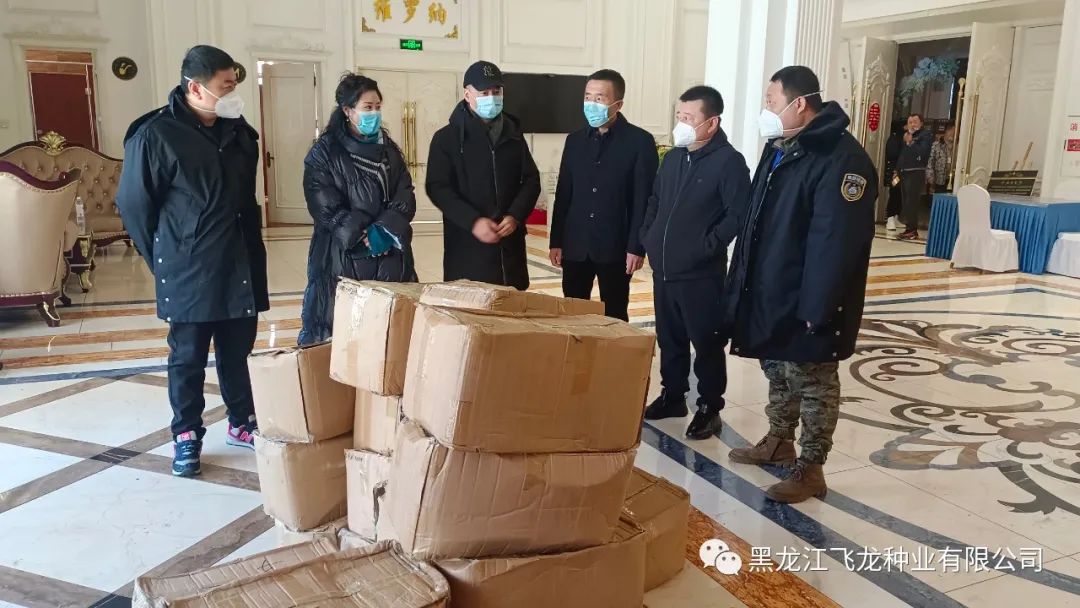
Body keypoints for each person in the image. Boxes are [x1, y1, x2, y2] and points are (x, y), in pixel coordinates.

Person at [725, 66, 876, 503]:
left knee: (813, 382)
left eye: (771, 101)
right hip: (772, 287)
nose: (766, 110)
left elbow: (836, 242)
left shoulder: (843, 160)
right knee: (777, 369)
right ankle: (779, 439)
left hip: (809, 297)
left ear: (800, 104)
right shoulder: (781, 148)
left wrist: (818, 306)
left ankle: (811, 468)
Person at [116, 45, 269, 478]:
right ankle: (186, 433)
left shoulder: (240, 133)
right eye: (226, 86)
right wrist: (164, 258)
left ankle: (241, 420)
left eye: (235, 85)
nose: (233, 94)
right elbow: (134, 205)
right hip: (187, 267)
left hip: (239, 260)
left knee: (238, 351)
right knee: (187, 357)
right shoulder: (156, 135)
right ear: (196, 88)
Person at [639, 86, 750, 440]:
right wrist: (649, 237)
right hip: (664, 270)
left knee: (706, 342)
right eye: (679, 116)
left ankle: (709, 407)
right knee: (669, 338)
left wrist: (706, 246)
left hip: (701, 274)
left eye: (688, 118)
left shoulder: (729, 163)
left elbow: (737, 215)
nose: (681, 124)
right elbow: (655, 201)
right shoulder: (674, 158)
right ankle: (673, 395)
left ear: (711, 123)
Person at [298, 73, 417, 345]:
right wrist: (362, 236)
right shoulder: (324, 152)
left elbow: (405, 193)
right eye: (367, 107)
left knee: (389, 337)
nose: (374, 113)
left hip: (390, 255)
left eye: (377, 107)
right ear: (348, 110)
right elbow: (324, 204)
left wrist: (385, 231)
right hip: (343, 256)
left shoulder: (389, 151)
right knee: (344, 336)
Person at [548, 69, 657, 321]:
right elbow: (564, 194)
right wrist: (556, 240)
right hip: (575, 245)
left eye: (599, 98)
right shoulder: (574, 141)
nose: (591, 104)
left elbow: (643, 199)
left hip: (616, 247)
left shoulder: (640, 142)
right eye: (588, 97)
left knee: (615, 313)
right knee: (573, 312)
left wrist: (636, 247)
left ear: (618, 104)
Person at [426, 60, 541, 290]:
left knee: (511, 305)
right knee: (472, 304)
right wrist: (473, 221)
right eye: (484, 93)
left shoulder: (514, 135)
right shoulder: (446, 139)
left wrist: (515, 215)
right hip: (468, 246)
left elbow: (531, 179)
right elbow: (438, 187)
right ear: (467, 94)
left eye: (496, 92)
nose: (492, 98)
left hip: (509, 247)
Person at [897, 113, 933, 240]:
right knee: (906, 202)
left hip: (915, 172)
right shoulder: (907, 135)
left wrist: (911, 142)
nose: (912, 124)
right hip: (904, 171)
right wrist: (897, 169)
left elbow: (922, 153)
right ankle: (908, 228)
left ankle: (912, 230)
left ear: (921, 123)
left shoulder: (925, 135)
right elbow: (903, 154)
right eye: (910, 122)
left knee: (912, 202)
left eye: (915, 122)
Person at [883, 119, 906, 230]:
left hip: (903, 172)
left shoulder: (903, 139)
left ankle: (896, 217)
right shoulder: (894, 139)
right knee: (894, 193)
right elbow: (892, 155)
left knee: (900, 195)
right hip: (894, 173)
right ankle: (890, 218)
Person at [927, 123, 956, 193]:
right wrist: (931, 181)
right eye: (951, 131)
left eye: (955, 132)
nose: (953, 134)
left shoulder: (959, 146)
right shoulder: (936, 145)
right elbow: (930, 164)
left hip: (955, 181)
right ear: (946, 131)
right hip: (939, 181)